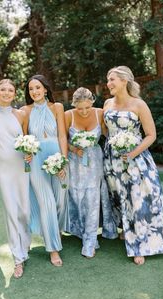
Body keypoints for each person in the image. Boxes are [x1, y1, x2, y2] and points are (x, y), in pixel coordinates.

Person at [104, 65, 163, 265]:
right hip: (112, 160)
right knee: (119, 197)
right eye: (108, 80)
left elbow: (151, 135)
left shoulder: (139, 105)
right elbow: (105, 131)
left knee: (140, 198)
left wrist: (132, 151)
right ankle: (126, 230)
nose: (109, 84)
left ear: (125, 81)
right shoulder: (107, 103)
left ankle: (140, 245)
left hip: (136, 159)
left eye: (112, 80)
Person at [0, 79, 31, 278]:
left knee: (25, 210)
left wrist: (29, 153)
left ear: (14, 94)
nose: (6, 93)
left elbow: (27, 139)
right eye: (3, 89)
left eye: (10, 90)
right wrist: (0, 149)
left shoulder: (21, 114)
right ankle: (18, 258)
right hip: (2, 169)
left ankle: (25, 245)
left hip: (22, 167)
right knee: (11, 211)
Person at [65, 87, 117, 258]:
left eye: (87, 107)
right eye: (80, 108)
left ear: (92, 102)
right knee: (77, 197)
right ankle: (80, 230)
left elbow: (109, 134)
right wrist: (73, 148)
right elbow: (61, 138)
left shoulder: (99, 113)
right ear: (74, 105)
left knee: (93, 199)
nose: (84, 111)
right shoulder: (68, 115)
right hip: (74, 163)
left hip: (94, 162)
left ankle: (90, 240)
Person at [21, 74, 68, 267]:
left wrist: (63, 160)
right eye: (31, 89)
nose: (34, 92)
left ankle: (54, 229)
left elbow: (63, 136)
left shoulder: (57, 107)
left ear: (46, 89)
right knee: (46, 202)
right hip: (37, 159)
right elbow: (23, 138)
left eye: (38, 88)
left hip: (57, 155)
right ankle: (53, 248)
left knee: (60, 200)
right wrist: (26, 153)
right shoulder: (25, 110)